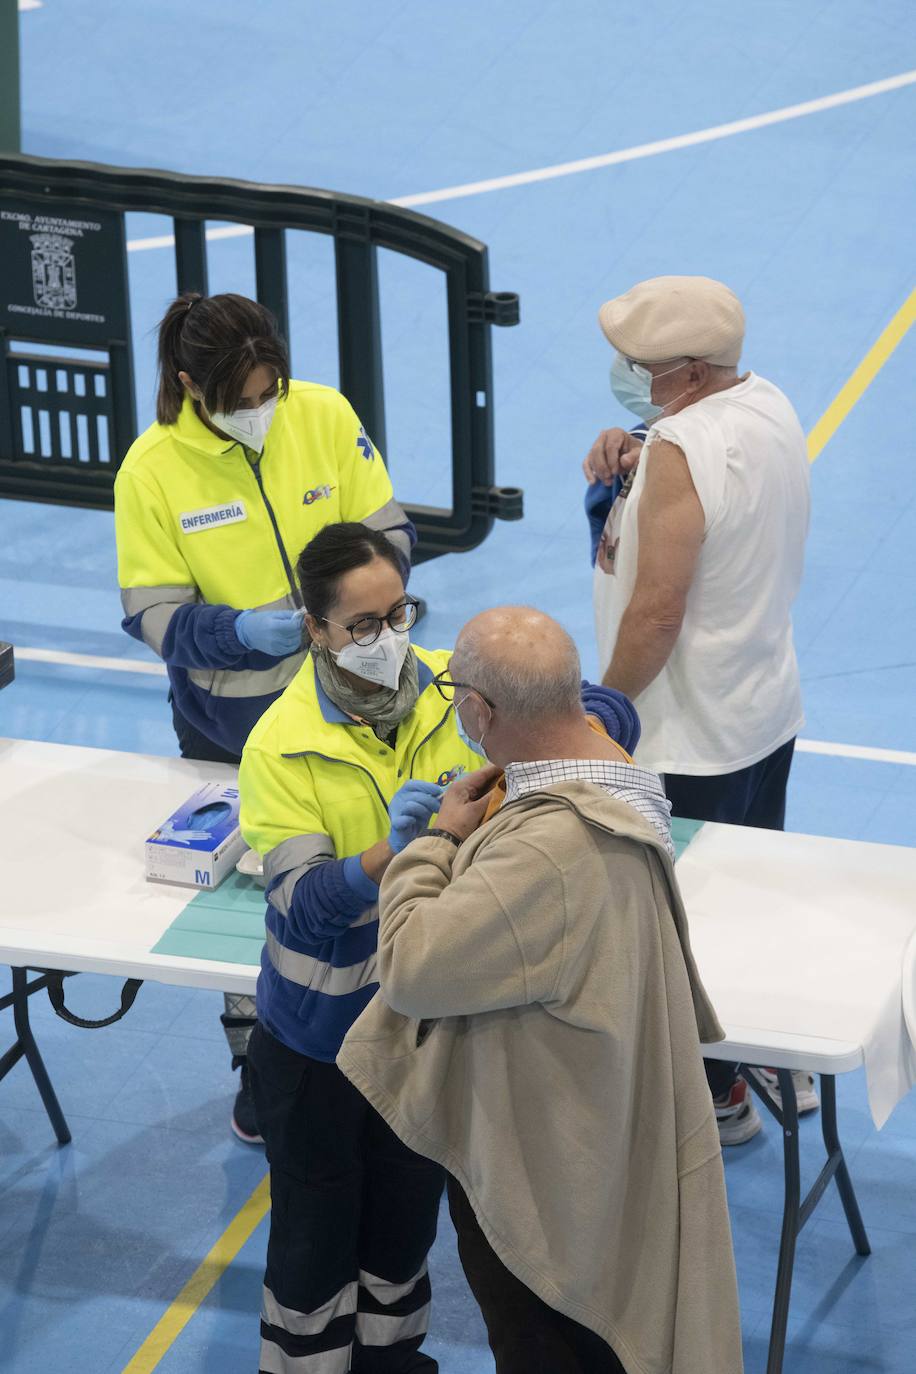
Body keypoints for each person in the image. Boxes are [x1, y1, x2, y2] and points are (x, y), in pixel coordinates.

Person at [338, 607, 743, 1374]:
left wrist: (436, 845)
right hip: (601, 1129)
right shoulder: (615, 773)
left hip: (548, 1184)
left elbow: (413, 969)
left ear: (477, 711)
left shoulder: (551, 851)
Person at [114, 291, 415, 1143]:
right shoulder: (151, 471)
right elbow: (154, 614)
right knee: (251, 918)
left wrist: (351, 607)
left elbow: (388, 529)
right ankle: (260, 1069)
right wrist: (244, 635)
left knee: (353, 883)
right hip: (229, 731)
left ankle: (386, 1052)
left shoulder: (322, 417)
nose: (260, 410)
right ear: (187, 385)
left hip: (353, 711)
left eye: (268, 389)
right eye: (240, 400)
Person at [586, 274, 812, 1144]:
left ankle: (713, 1094)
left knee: (680, 926)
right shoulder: (766, 402)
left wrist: (606, 709)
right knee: (752, 903)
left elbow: (656, 610)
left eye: (638, 364)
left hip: (683, 733)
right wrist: (638, 448)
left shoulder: (681, 450)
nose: (625, 372)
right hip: (761, 709)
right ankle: (773, 1060)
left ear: (686, 369)